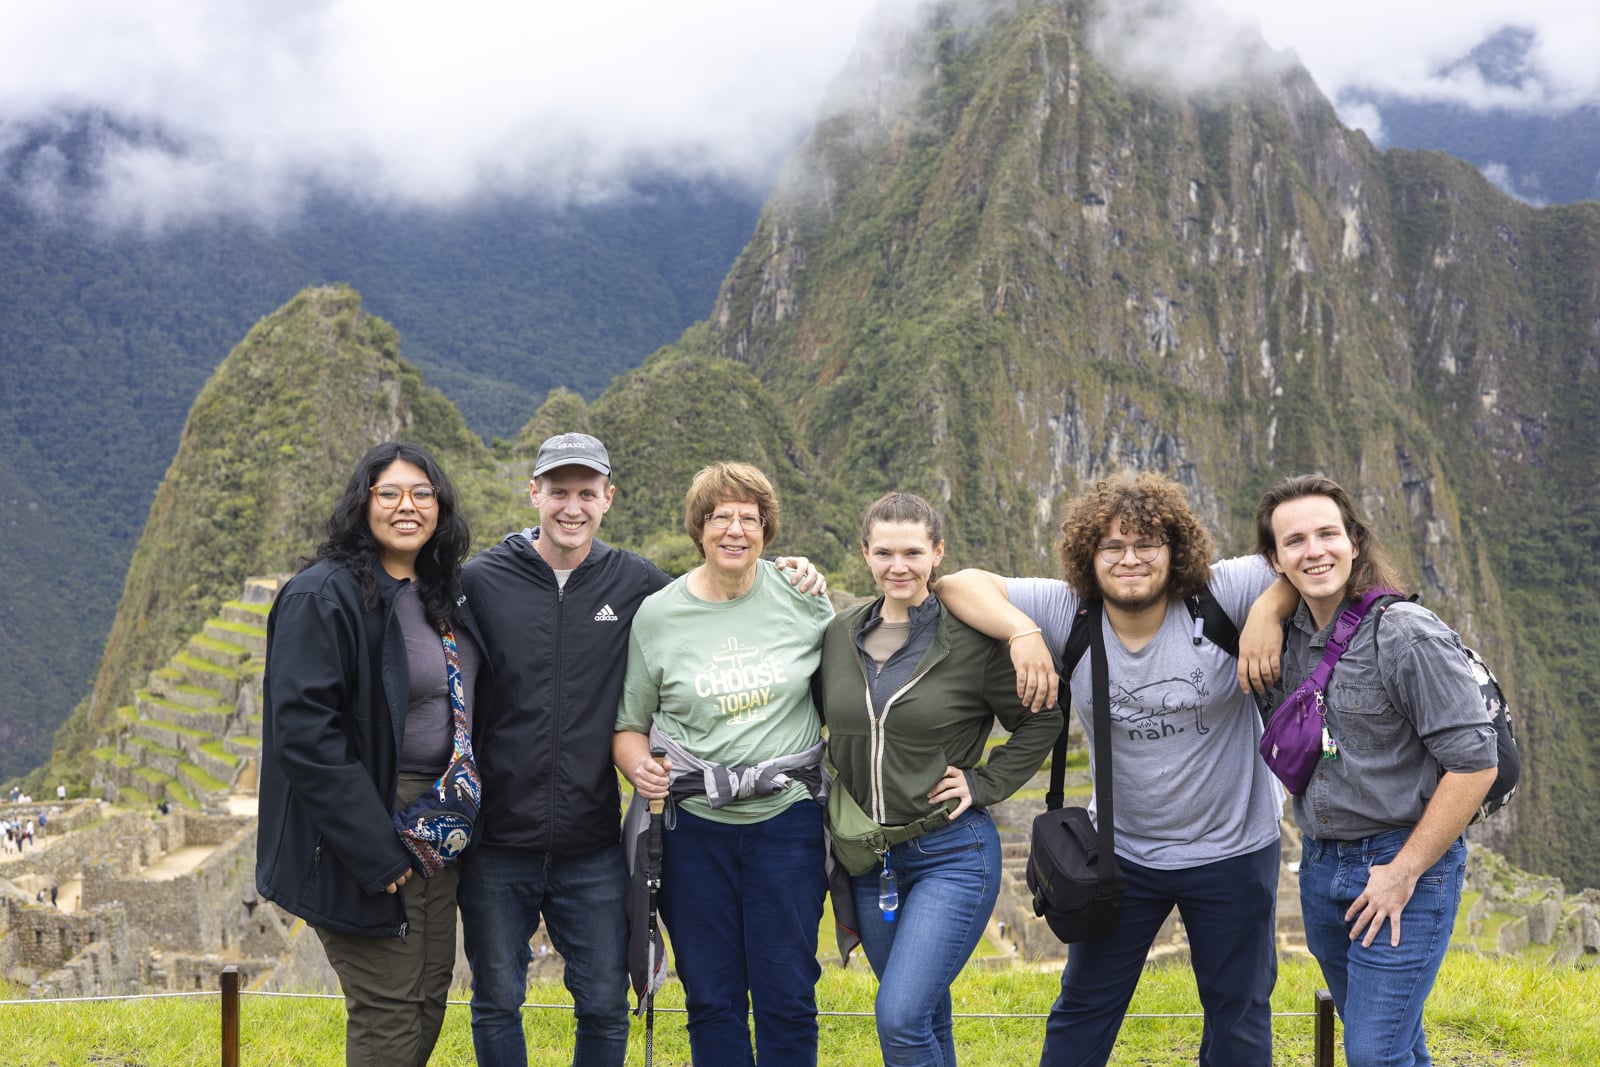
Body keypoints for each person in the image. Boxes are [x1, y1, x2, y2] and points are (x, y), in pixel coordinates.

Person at [459, 436, 825, 1067]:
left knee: (630, 1001)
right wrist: (639, 766)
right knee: (503, 998)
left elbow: (833, 672)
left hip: (636, 834)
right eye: (558, 492)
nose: (572, 507)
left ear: (608, 498)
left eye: (586, 493)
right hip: (527, 833)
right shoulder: (485, 582)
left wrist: (798, 569)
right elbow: (626, 724)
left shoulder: (650, 585)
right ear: (534, 493)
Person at [935, 471, 1294, 1067]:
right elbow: (957, 584)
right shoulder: (1066, 610)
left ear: (1175, 550)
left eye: (1147, 543)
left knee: (1240, 1015)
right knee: (1083, 1010)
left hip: (1233, 850)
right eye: (1113, 546)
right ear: (1089, 555)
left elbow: (1306, 564)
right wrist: (1022, 630)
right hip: (1122, 852)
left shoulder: (1220, 595)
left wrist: (1268, 609)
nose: (1130, 559)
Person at [1253, 474, 1497, 1067]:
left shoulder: (1405, 634)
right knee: (1393, 1043)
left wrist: (1402, 872)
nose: (1314, 551)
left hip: (1402, 865)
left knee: (1372, 1053)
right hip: (1322, 866)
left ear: (1354, 541)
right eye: (1294, 541)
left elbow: (1475, 764)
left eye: (1328, 534)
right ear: (1275, 560)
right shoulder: (1284, 640)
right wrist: (1264, 610)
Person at [256, 440, 486, 1067]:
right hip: (370, 820)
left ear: (441, 506)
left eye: (422, 493)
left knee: (429, 997)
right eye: (389, 493)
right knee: (389, 1010)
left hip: (437, 824)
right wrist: (373, 847)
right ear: (364, 503)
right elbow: (305, 735)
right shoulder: (322, 596)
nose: (407, 506)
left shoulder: (440, 591)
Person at [817, 492, 1060, 1066]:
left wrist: (984, 783)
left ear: (938, 553)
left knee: (900, 1018)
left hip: (950, 852)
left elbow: (1041, 719)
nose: (897, 566)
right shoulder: (837, 635)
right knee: (925, 1015)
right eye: (884, 553)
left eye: (912, 552)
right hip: (870, 859)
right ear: (865, 553)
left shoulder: (972, 641)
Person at [615, 462, 835, 1067]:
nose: (735, 530)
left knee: (788, 992)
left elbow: (846, 688)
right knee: (711, 996)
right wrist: (639, 767)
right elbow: (630, 725)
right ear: (699, 527)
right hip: (692, 827)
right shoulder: (658, 614)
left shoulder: (802, 596)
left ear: (766, 530)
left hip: (786, 822)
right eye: (720, 517)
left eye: (749, 518)